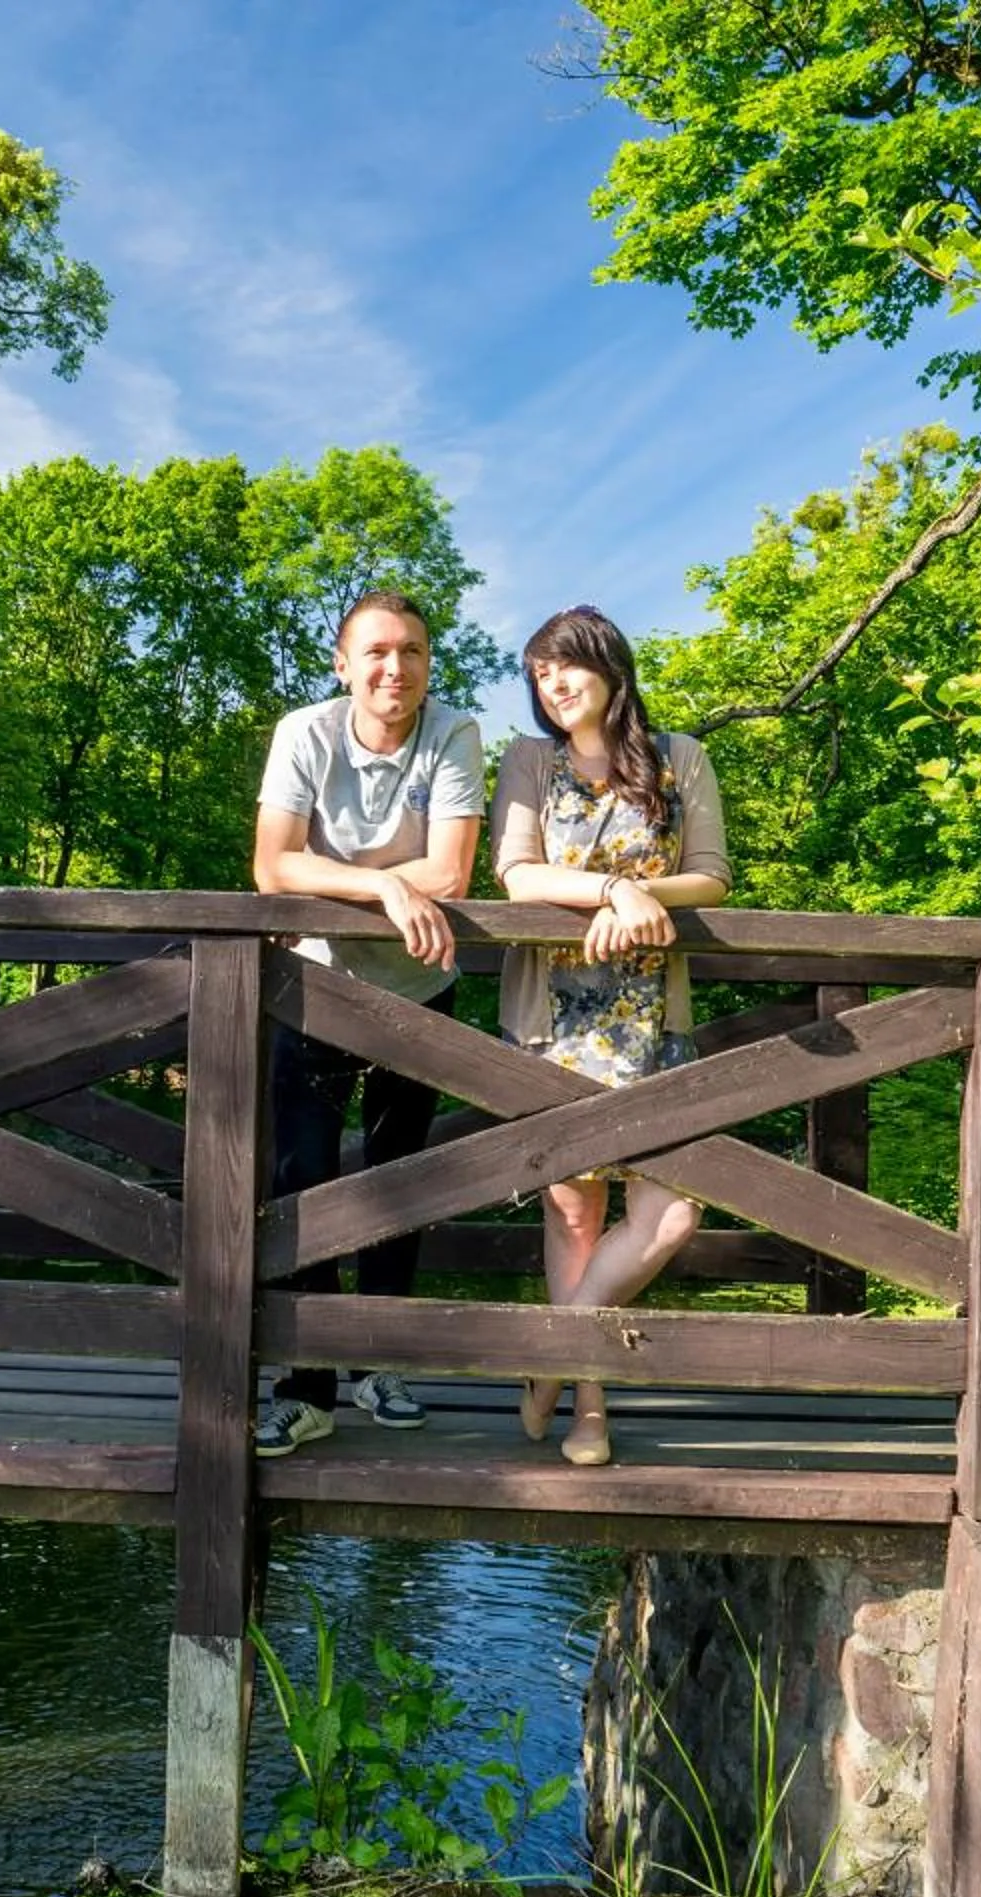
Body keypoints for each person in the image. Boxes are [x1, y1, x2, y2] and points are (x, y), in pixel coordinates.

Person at [488, 605, 731, 1468]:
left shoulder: (681, 758)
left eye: (566, 667)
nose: (552, 686)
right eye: (539, 675)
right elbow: (516, 875)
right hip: (554, 1018)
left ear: (611, 667)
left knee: (670, 1215)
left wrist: (644, 897)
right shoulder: (528, 762)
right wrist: (613, 893)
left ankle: (549, 1359)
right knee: (573, 1216)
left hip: (651, 1018)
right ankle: (590, 1410)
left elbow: (711, 877)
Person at [248, 588, 486, 1457]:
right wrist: (387, 883)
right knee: (301, 1182)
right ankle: (305, 1384)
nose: (396, 668)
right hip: (311, 983)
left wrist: (373, 878)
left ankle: (380, 1365)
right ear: (343, 664)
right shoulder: (304, 733)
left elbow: (454, 872)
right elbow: (274, 864)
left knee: (402, 1180)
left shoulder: (454, 731)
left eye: (414, 652)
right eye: (378, 652)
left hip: (419, 986)